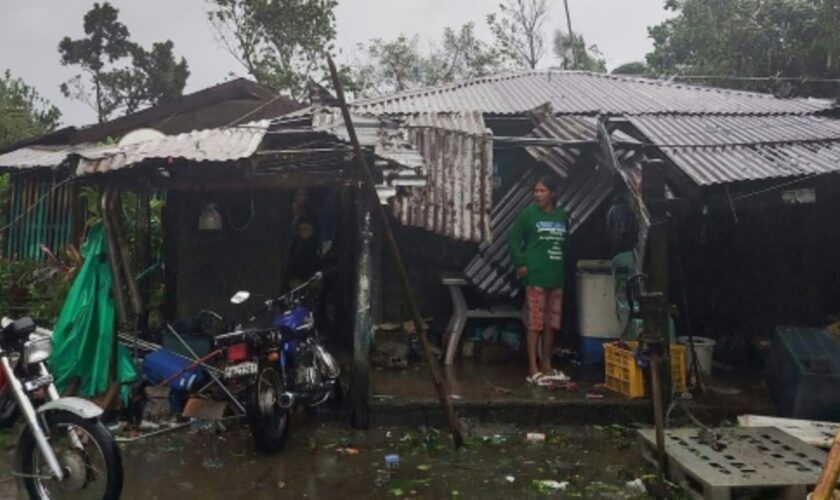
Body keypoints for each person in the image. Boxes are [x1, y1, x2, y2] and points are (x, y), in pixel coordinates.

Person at [508, 176, 570, 384]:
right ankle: (532, 367)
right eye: (536, 191)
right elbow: (514, 238)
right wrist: (520, 263)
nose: (538, 195)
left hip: (556, 275)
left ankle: (546, 365)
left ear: (552, 193)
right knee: (535, 324)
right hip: (536, 275)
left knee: (551, 324)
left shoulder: (562, 216)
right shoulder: (528, 215)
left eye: (542, 191)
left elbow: (566, 244)